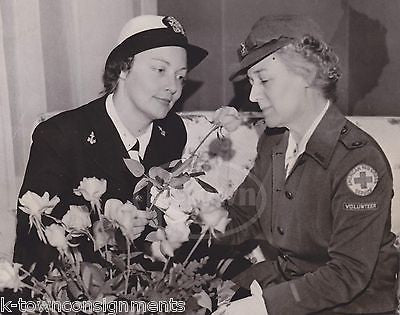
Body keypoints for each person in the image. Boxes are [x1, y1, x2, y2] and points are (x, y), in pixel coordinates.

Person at [219, 15, 398, 314]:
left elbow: (347, 273)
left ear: (306, 74)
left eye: (263, 80)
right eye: (251, 82)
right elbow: (241, 217)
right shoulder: (275, 141)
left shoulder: (358, 161)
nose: (252, 95)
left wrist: (264, 307)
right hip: (291, 292)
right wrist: (184, 230)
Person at [13, 14, 208, 278]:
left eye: (181, 77)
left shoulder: (172, 131)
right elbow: (34, 238)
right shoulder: (60, 134)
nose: (173, 87)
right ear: (124, 69)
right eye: (160, 70)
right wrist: (104, 229)